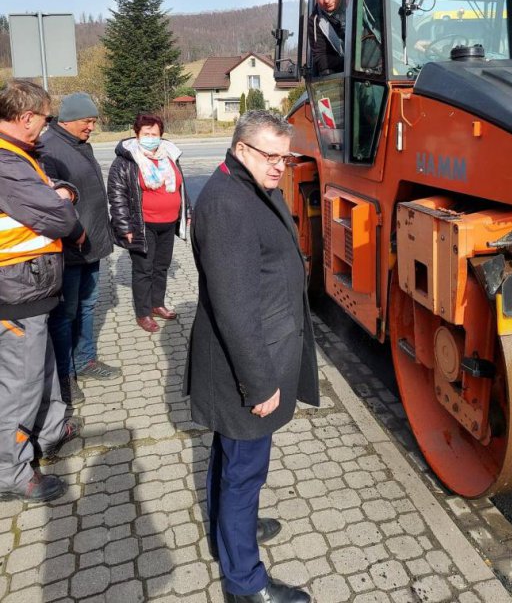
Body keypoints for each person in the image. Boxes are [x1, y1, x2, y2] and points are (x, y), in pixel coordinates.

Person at [185, 110, 319, 603]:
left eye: (286, 156)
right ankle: (245, 583)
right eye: (271, 155)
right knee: (244, 470)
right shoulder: (228, 204)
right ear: (241, 149)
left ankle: (231, 534)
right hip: (246, 366)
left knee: (233, 458)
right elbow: (235, 307)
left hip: (258, 353)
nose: (281, 166)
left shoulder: (250, 185)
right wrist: (259, 384)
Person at [0, 80, 83, 503]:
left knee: (43, 366)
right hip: (13, 292)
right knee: (20, 383)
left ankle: (50, 433)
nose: (46, 127)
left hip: (30, 290)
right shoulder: (5, 161)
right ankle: (11, 472)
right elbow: (59, 218)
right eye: (45, 118)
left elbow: (48, 201)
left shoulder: (19, 155)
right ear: (26, 116)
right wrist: (62, 200)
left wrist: (58, 192)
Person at [40, 92, 120, 406]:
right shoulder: (50, 149)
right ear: (70, 119)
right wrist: (75, 233)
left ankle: (85, 360)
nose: (91, 127)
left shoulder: (79, 145)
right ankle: (65, 376)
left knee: (86, 307)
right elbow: (55, 201)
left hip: (92, 245)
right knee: (65, 315)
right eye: (88, 121)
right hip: (70, 248)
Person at [107, 113, 189, 334]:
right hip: (143, 225)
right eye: (146, 134)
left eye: (154, 134)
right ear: (137, 134)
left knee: (161, 266)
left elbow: (181, 186)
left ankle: (157, 303)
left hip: (168, 223)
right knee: (143, 269)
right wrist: (125, 227)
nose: (150, 137)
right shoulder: (126, 160)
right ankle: (143, 313)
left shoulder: (169, 156)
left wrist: (185, 211)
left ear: (161, 136)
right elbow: (117, 196)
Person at [308, 0, 348, 75]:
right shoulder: (315, 21)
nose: (326, 0)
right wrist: (350, 61)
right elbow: (321, 60)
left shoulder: (360, 2)